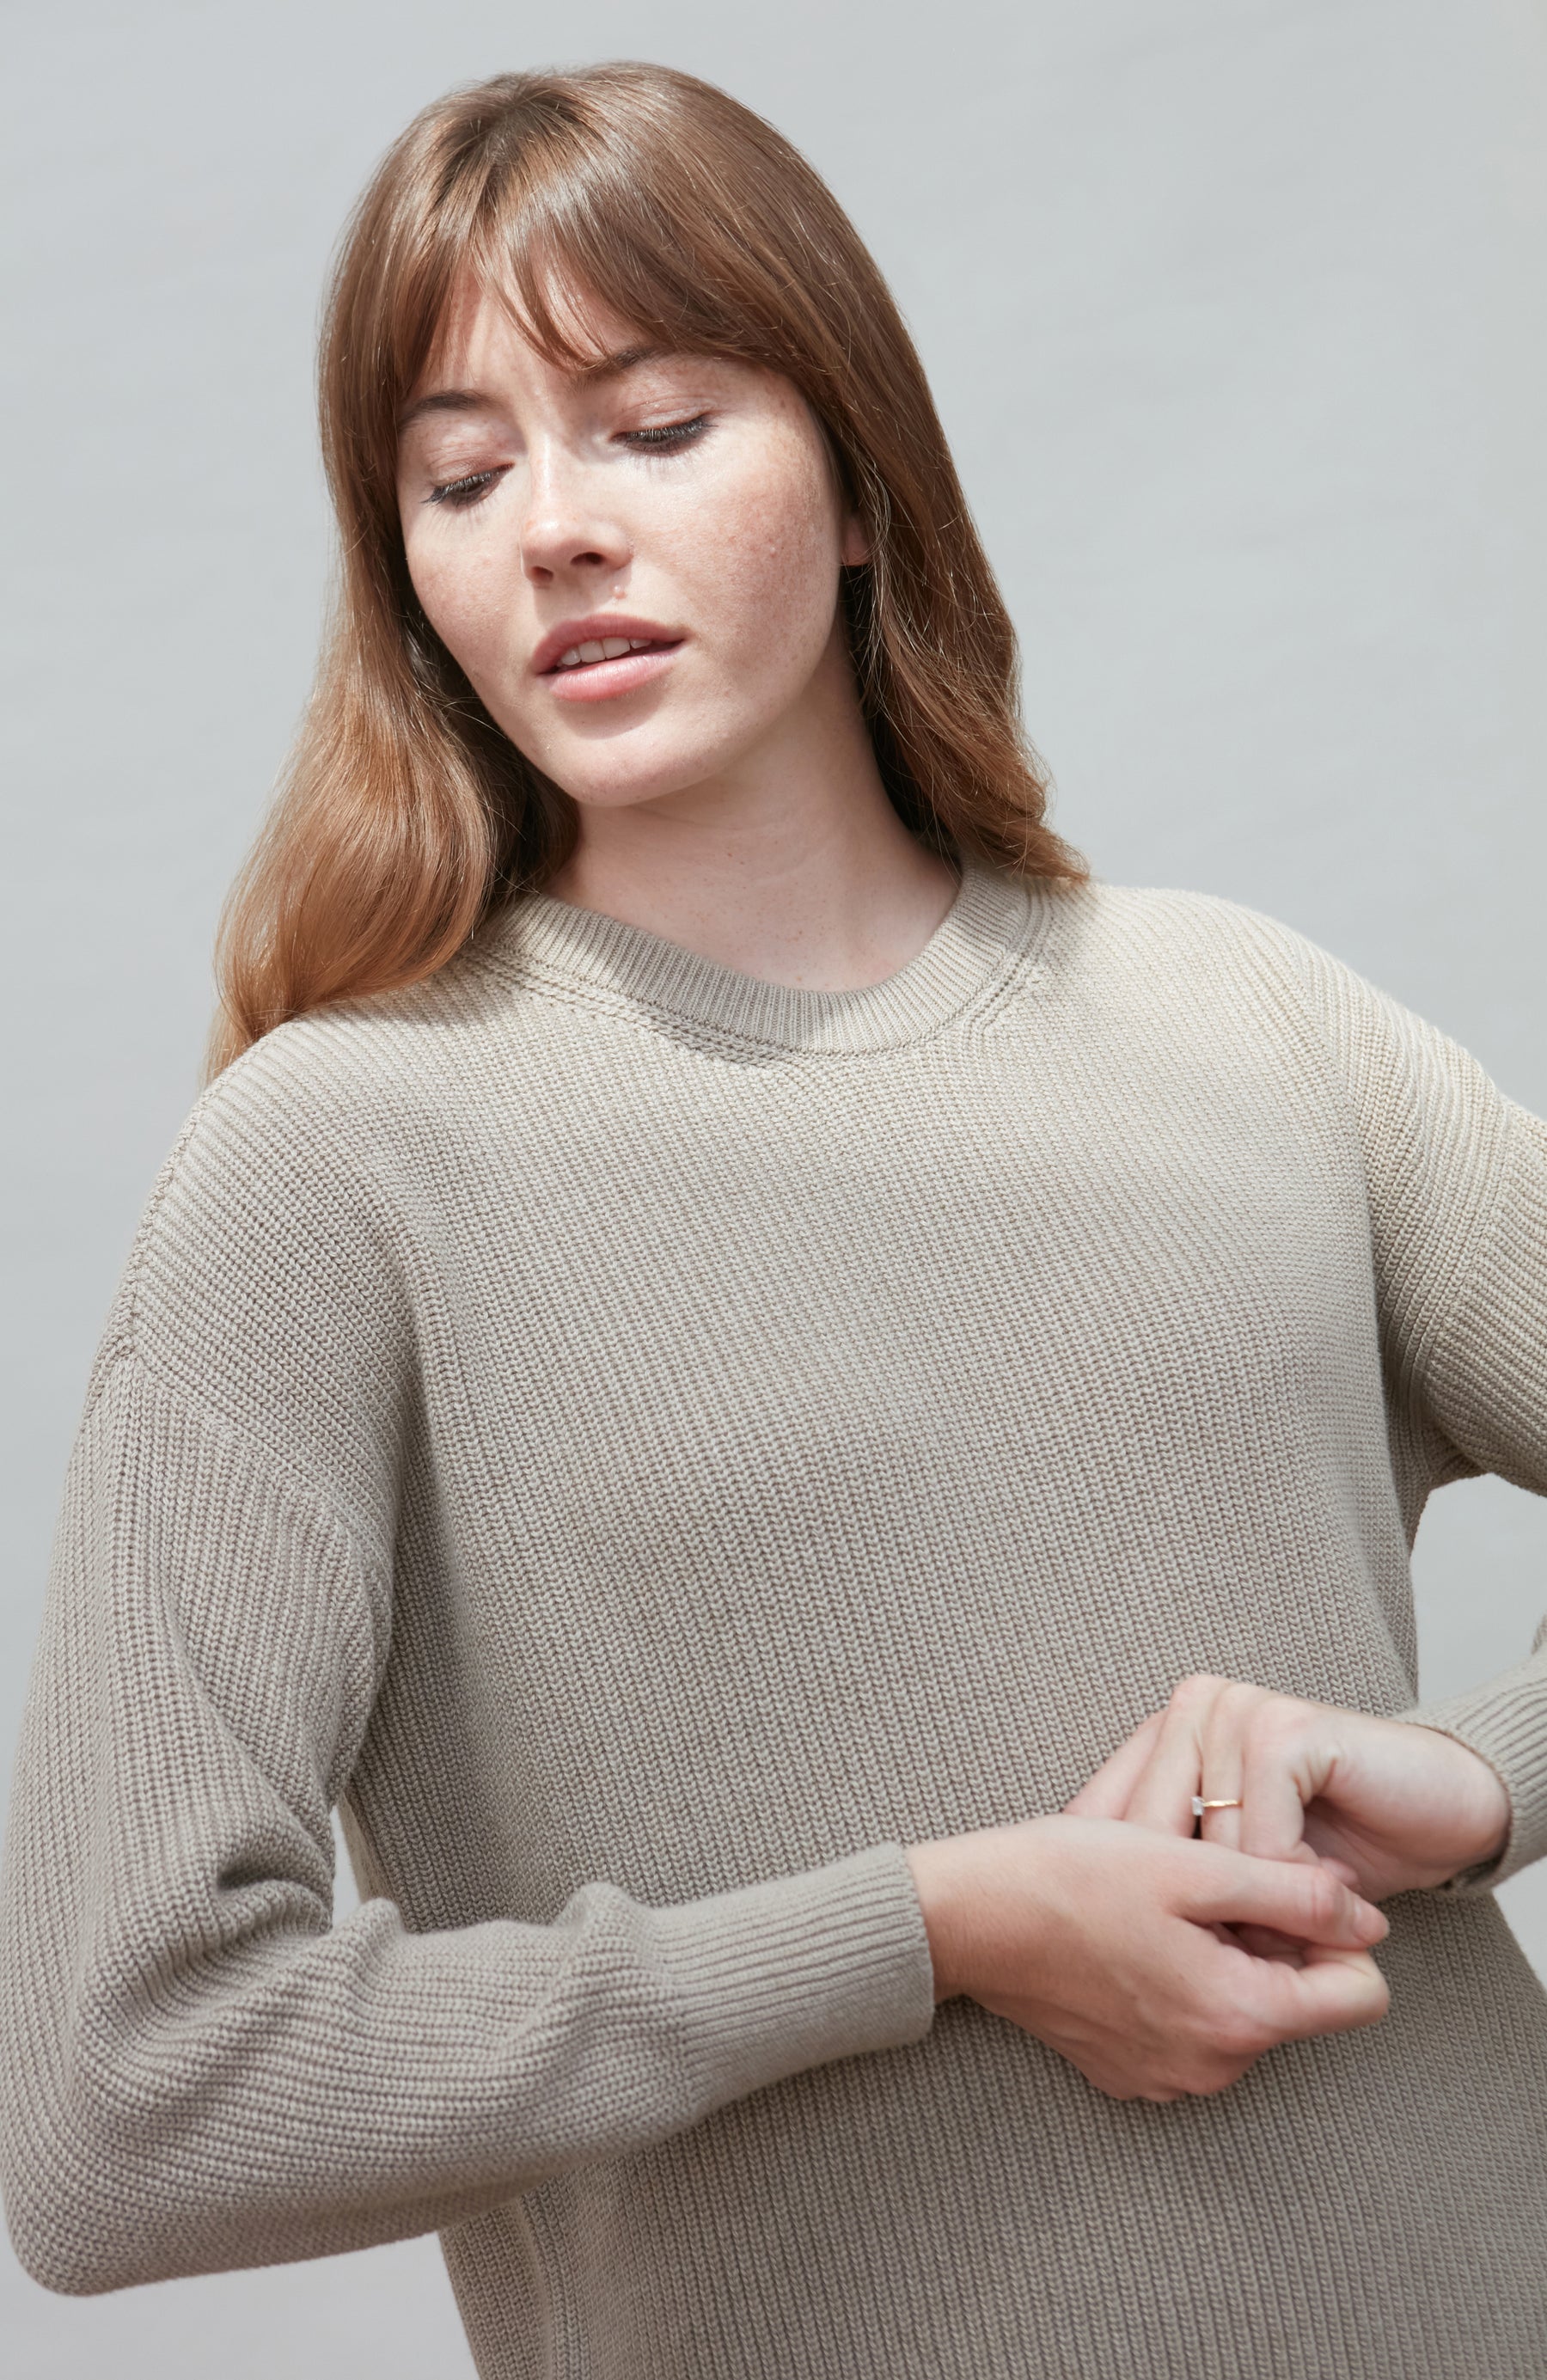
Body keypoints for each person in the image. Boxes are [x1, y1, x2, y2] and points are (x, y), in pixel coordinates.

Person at [2, 58, 1544, 2380]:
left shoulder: (1260, 1025)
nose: (553, 528)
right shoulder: (335, 1171)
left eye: (654, 423)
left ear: (853, 479)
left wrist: (1491, 1774)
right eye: (459, 469)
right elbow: (123, 2109)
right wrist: (924, 1926)